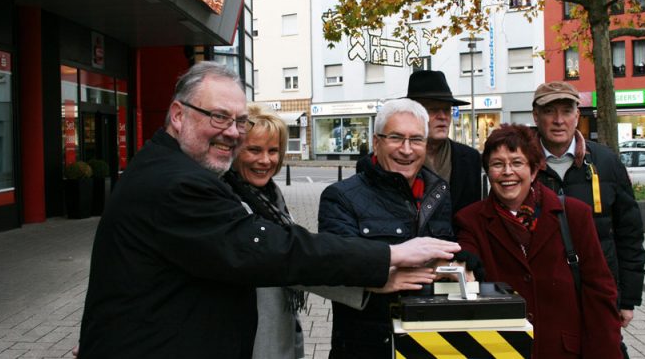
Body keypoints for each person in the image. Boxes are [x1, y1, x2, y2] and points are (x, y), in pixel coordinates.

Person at [77, 62, 460, 359]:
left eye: (239, 121)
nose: (231, 132)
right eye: (218, 117)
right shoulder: (177, 182)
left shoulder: (183, 172)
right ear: (178, 116)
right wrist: (389, 256)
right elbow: (269, 249)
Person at [224, 104, 434, 359]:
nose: (265, 160)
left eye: (273, 151)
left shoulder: (270, 198)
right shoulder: (233, 203)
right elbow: (293, 259)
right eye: (254, 150)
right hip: (248, 337)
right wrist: (375, 275)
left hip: (280, 333)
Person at [454, 124, 622, 358]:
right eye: (497, 164)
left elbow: (599, 292)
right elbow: (466, 255)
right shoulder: (470, 220)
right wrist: (462, 265)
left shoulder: (573, 215)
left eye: (517, 162)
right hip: (503, 351)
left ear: (534, 170)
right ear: (488, 172)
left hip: (563, 351)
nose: (507, 172)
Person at [318, 98, 458, 359]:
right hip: (367, 347)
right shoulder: (340, 196)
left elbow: (444, 251)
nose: (406, 149)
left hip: (429, 342)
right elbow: (336, 263)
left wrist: (456, 267)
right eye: (396, 138)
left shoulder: (439, 192)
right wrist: (382, 274)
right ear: (376, 142)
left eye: (416, 140)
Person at [531, 81, 645, 358]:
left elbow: (629, 235)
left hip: (597, 293)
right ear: (536, 116)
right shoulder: (522, 163)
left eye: (566, 111)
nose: (559, 120)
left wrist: (627, 299)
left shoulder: (606, 162)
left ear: (577, 116)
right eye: (550, 111)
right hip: (543, 295)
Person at [405, 70, 482, 213]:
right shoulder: (396, 157)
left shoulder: (470, 158)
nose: (443, 117)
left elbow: (475, 214)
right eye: (433, 110)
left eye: (447, 110)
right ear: (413, 114)